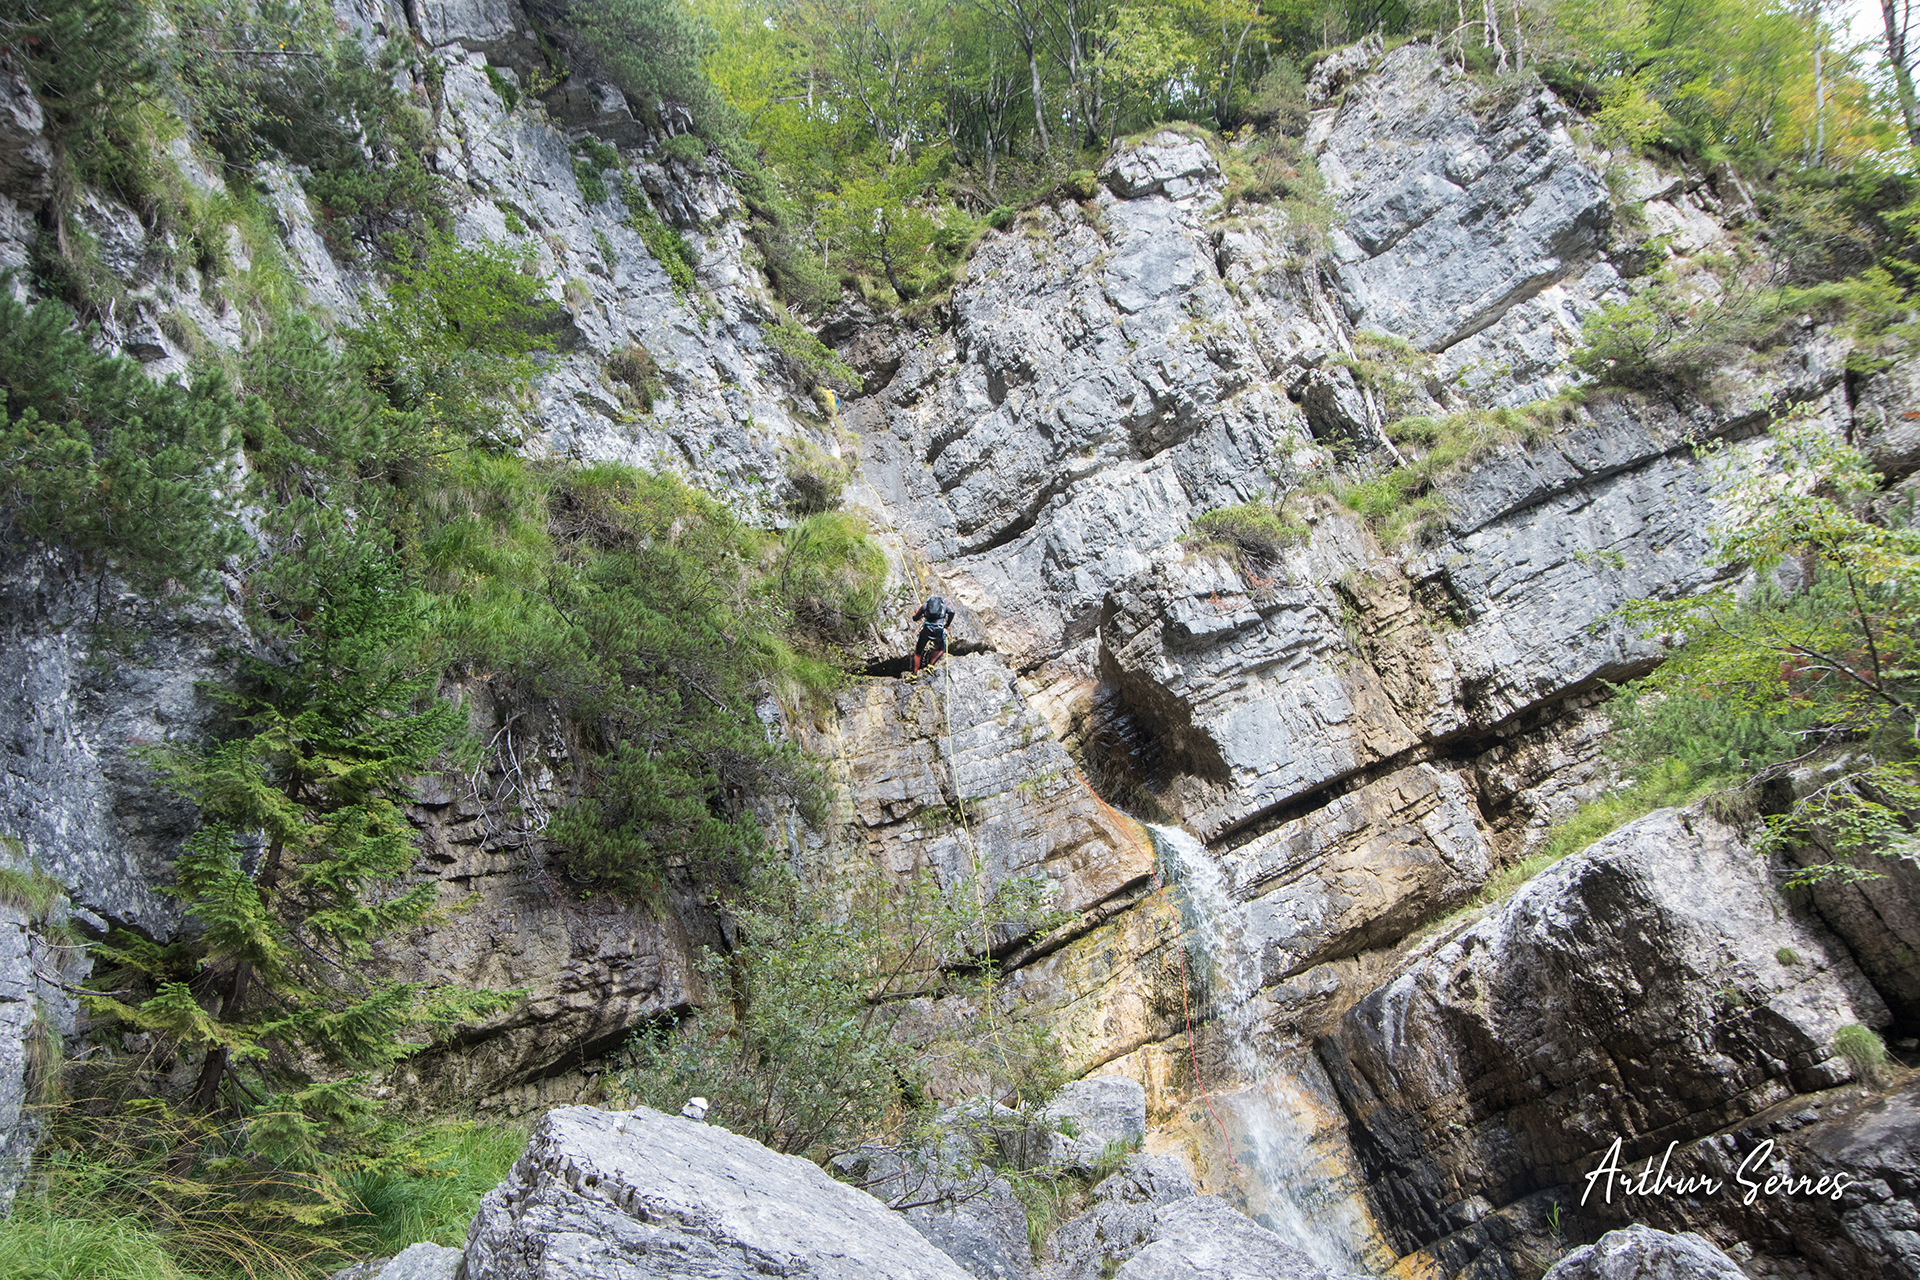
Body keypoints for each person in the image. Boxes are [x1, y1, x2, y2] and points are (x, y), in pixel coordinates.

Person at [907, 595, 952, 681]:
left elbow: (914, 618)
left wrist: (923, 615)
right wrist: (947, 625)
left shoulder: (925, 605)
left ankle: (914, 675)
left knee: (918, 652)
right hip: (938, 630)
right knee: (942, 649)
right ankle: (931, 665)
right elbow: (952, 612)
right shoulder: (945, 606)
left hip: (926, 630)